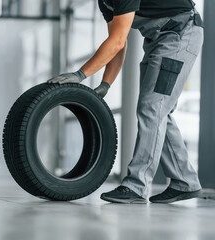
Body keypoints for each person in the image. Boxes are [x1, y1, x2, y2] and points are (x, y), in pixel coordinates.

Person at [48, 0, 204, 204]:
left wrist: (80, 74)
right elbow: (117, 41)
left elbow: (119, 41)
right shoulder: (105, 2)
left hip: (181, 35)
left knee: (153, 108)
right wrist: (106, 83)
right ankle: (185, 181)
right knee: (157, 109)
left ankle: (137, 186)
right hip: (158, 40)